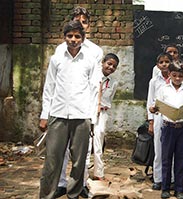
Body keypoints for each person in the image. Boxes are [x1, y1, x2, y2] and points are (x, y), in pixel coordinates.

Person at [39, 20, 99, 199]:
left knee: (79, 161)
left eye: (77, 36)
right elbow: (49, 88)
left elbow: (94, 90)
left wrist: (92, 119)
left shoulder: (89, 61)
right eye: (70, 36)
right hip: (58, 115)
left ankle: (73, 194)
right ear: (64, 37)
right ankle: (47, 195)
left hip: (82, 116)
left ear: (83, 38)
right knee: (52, 160)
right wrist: (44, 115)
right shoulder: (57, 58)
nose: (73, 39)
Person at [54, 6, 104, 198]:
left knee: (83, 149)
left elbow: (96, 82)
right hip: (64, 106)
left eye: (84, 22)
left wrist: (96, 106)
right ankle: (60, 183)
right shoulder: (61, 49)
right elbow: (56, 79)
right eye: (77, 21)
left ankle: (81, 183)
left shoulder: (95, 51)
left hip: (85, 106)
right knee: (61, 149)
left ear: (88, 26)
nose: (80, 24)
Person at [150, 62, 183, 199]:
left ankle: (179, 189)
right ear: (169, 75)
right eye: (174, 75)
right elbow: (156, 105)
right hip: (167, 127)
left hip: (182, 128)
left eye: (180, 76)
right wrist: (153, 109)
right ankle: (165, 188)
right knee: (166, 158)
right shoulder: (163, 89)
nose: (177, 78)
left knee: (180, 159)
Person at [90, 53, 119, 181]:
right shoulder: (93, 77)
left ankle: (99, 172)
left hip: (102, 113)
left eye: (114, 66)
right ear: (103, 62)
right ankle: (82, 173)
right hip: (89, 111)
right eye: (109, 64)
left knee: (99, 139)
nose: (111, 67)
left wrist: (102, 108)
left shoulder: (113, 83)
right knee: (86, 142)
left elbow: (109, 99)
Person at [146, 52, 173, 190]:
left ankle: (171, 178)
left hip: (172, 117)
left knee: (171, 149)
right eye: (161, 62)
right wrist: (150, 121)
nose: (164, 64)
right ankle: (158, 178)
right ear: (157, 65)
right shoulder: (154, 81)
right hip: (158, 116)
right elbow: (150, 101)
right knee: (158, 148)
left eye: (167, 62)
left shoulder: (176, 78)